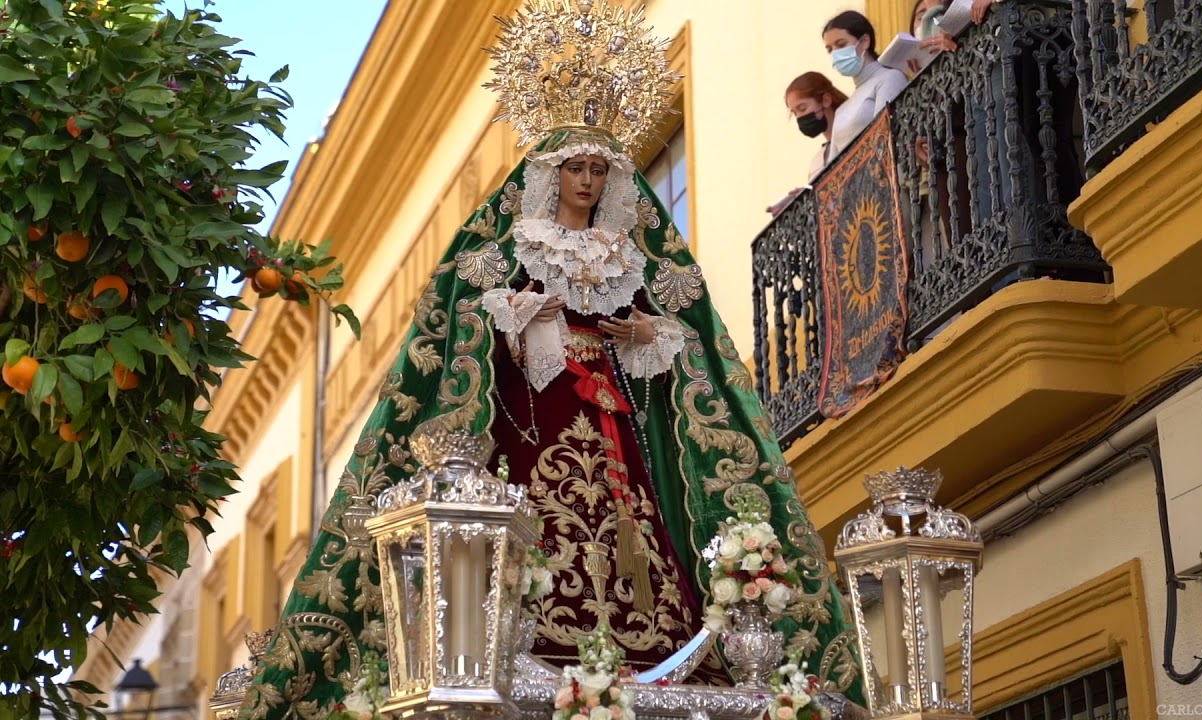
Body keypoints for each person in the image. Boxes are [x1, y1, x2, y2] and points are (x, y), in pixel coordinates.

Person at [238, 1, 864, 716]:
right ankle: (521, 640)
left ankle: (656, 652)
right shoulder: (515, 242)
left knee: (630, 520)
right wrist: (517, 313)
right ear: (552, 173)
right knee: (548, 519)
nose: (589, 182)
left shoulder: (627, 253)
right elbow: (468, 319)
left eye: (600, 169)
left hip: (612, 410)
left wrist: (642, 337)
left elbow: (677, 336)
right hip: (538, 419)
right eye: (577, 168)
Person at [822, 11, 909, 158]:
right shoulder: (841, 110)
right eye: (830, 49)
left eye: (841, 44)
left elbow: (885, 139)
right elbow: (833, 168)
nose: (835, 54)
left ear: (864, 42)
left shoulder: (889, 78)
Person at [767, 71, 848, 214]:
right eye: (795, 113)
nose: (800, 117)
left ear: (826, 100)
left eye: (802, 108)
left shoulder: (852, 132)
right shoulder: (817, 161)